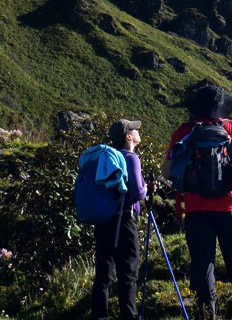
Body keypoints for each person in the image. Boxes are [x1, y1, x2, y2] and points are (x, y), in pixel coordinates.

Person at [167, 84, 232, 319]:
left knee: (203, 265)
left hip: (196, 208)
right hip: (231, 208)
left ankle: (206, 314)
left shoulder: (184, 131)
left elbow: (168, 171)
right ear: (221, 107)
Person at [92, 118, 147, 320]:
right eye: (134, 130)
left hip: (104, 219)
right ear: (128, 137)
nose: (138, 132)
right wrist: (147, 187)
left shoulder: (105, 157)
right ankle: (129, 315)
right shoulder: (130, 158)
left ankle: (100, 315)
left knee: (104, 271)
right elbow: (139, 192)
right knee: (128, 271)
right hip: (124, 220)